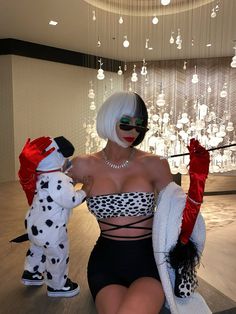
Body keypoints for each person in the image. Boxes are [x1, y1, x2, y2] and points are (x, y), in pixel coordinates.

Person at [69, 91, 211, 314]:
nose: (133, 131)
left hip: (149, 263)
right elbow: (46, 196)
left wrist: (197, 183)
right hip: (105, 263)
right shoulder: (82, 165)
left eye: (140, 125)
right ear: (110, 117)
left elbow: (181, 218)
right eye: (126, 123)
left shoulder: (155, 163)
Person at [16, 136, 93, 297]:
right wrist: (85, 189)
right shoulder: (59, 178)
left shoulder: (39, 175)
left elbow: (55, 189)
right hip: (52, 230)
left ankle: (32, 273)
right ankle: (57, 285)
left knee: (37, 248)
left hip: (34, 225)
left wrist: (70, 181)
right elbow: (70, 200)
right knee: (57, 255)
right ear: (56, 155)